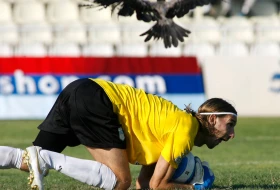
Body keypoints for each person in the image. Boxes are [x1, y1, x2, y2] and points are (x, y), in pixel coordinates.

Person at [0, 78, 237, 190]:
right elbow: (157, 185)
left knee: (27, 162)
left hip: (81, 89)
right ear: (213, 119)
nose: (232, 134)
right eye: (230, 124)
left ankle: (40, 158)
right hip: (97, 99)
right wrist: (195, 187)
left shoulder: (177, 129)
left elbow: (144, 184)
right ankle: (45, 158)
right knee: (118, 181)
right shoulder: (185, 131)